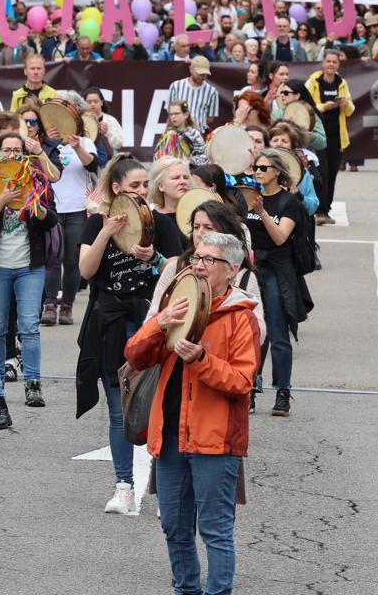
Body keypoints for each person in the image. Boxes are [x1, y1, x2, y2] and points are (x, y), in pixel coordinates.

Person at [125, 232, 260, 595]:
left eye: (208, 260)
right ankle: (186, 589)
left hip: (215, 441)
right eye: (195, 258)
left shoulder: (240, 318)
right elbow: (135, 356)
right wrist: (159, 323)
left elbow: (242, 381)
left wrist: (200, 360)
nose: (197, 265)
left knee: (215, 530)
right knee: (174, 525)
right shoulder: (179, 303)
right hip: (170, 437)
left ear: (232, 270)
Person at [77, 155, 185, 515]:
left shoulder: (161, 224)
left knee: (159, 405)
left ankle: (161, 485)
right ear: (117, 187)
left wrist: (154, 258)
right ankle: (124, 485)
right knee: (119, 412)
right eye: (134, 185)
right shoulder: (96, 225)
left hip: (152, 321)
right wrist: (106, 230)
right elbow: (86, 271)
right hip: (110, 322)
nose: (141, 191)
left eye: (144, 185)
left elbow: (183, 273)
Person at [0, 132, 57, 410]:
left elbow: (52, 219)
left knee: (29, 327)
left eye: (17, 150)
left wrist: (37, 208)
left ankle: (33, 385)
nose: (12, 155)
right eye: (7, 150)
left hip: (29, 267)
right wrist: (3, 198)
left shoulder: (35, 180)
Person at [246, 149, 305, 417]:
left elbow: (281, 237)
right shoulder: (248, 197)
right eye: (255, 167)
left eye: (263, 168)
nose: (258, 172)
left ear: (277, 172)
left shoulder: (287, 202)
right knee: (250, 334)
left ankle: (282, 391)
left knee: (278, 334)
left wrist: (262, 212)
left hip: (277, 272)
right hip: (252, 271)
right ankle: (248, 389)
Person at [38, 94, 97, 327]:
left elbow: (93, 166)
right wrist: (49, 144)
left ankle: (67, 305)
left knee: (72, 261)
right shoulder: (43, 143)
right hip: (52, 208)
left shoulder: (85, 142)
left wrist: (77, 146)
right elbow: (39, 167)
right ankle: (50, 304)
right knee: (53, 258)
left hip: (76, 209)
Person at [306, 49, 354, 225]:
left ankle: (326, 210)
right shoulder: (313, 81)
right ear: (323, 63)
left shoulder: (342, 82)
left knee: (332, 174)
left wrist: (345, 103)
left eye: (334, 62)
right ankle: (318, 210)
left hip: (336, 137)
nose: (331, 65)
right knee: (322, 173)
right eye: (328, 61)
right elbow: (307, 105)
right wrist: (325, 106)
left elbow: (350, 111)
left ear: (338, 64)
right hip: (318, 135)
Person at [166, 55, 218, 132]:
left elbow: (210, 118)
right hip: (177, 133)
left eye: (204, 74)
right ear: (191, 69)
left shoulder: (212, 91)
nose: (201, 77)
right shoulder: (176, 86)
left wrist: (197, 124)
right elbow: (170, 111)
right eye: (199, 73)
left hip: (199, 134)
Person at [157, 101, 207, 165]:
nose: (173, 117)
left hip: (189, 172)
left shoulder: (194, 134)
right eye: (171, 114)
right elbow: (157, 156)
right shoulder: (166, 134)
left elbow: (204, 158)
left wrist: (189, 159)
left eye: (176, 113)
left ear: (186, 115)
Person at [147, 156, 192, 223]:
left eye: (186, 177)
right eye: (176, 178)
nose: (183, 181)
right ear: (161, 186)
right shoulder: (151, 219)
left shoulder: (198, 214)